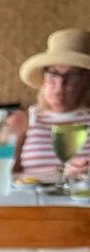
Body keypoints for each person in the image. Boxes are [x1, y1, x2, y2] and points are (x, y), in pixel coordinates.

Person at [6, 28, 90, 179]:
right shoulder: (21, 121)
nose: (60, 84)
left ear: (86, 80)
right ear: (43, 76)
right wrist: (58, 173)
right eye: (53, 73)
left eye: (72, 75)